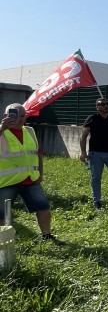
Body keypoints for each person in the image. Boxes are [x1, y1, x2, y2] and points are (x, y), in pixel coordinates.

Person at [0, 104, 63, 244]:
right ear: (6, 116)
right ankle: (5, 241)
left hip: (30, 179)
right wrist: (2, 128)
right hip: (7, 181)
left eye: (23, 116)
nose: (20, 119)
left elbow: (38, 154)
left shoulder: (29, 130)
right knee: (2, 214)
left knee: (43, 208)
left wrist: (40, 174)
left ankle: (46, 236)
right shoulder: (2, 130)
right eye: (15, 115)